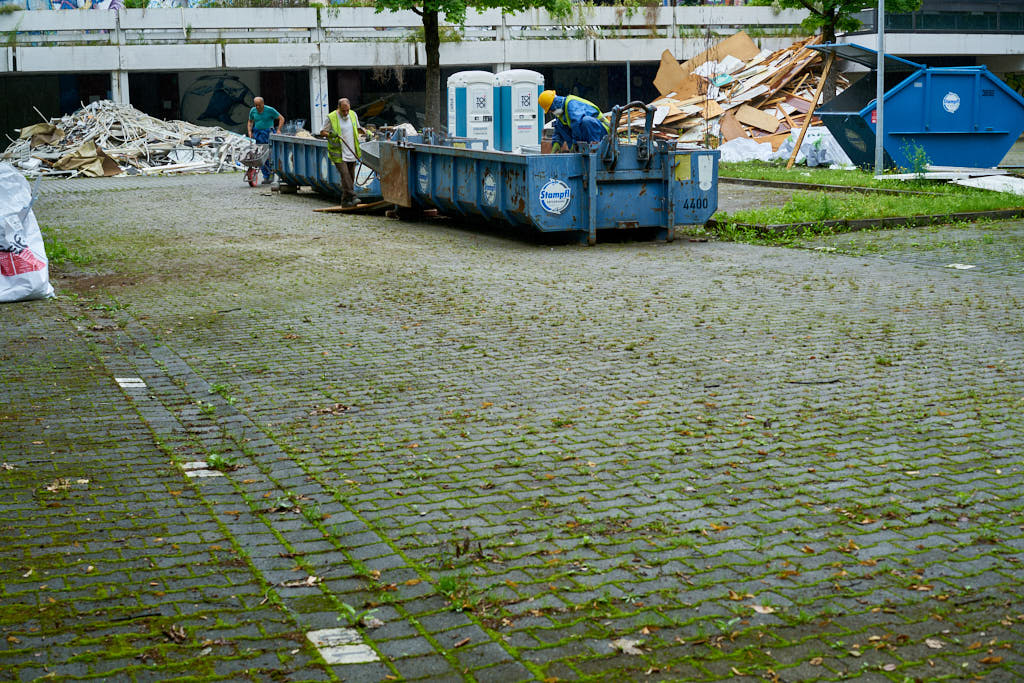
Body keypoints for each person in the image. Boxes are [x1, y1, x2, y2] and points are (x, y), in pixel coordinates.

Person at [318, 98, 363, 207]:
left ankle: (345, 201)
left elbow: (358, 129)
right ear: (338, 108)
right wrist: (331, 135)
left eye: (347, 110)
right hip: (338, 153)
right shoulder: (331, 117)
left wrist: (367, 132)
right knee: (345, 174)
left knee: (351, 177)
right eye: (343, 111)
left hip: (352, 151)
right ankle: (353, 196)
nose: (346, 113)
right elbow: (322, 132)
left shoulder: (353, 115)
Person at [538, 90, 610, 153]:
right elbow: (558, 127)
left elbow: (576, 123)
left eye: (551, 110)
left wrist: (575, 143)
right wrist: (556, 142)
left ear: (554, 105)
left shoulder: (571, 104)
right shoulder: (562, 112)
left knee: (586, 121)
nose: (552, 112)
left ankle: (594, 149)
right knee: (561, 125)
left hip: (602, 131)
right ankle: (576, 152)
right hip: (589, 133)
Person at [247, 96, 284, 184]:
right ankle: (265, 176)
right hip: (258, 133)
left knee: (269, 155)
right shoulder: (253, 110)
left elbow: (281, 118)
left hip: (268, 133)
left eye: (259, 105)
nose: (257, 107)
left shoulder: (270, 110)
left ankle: (271, 173)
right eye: (256, 105)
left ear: (263, 104)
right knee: (260, 156)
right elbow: (250, 121)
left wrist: (278, 129)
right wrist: (249, 131)